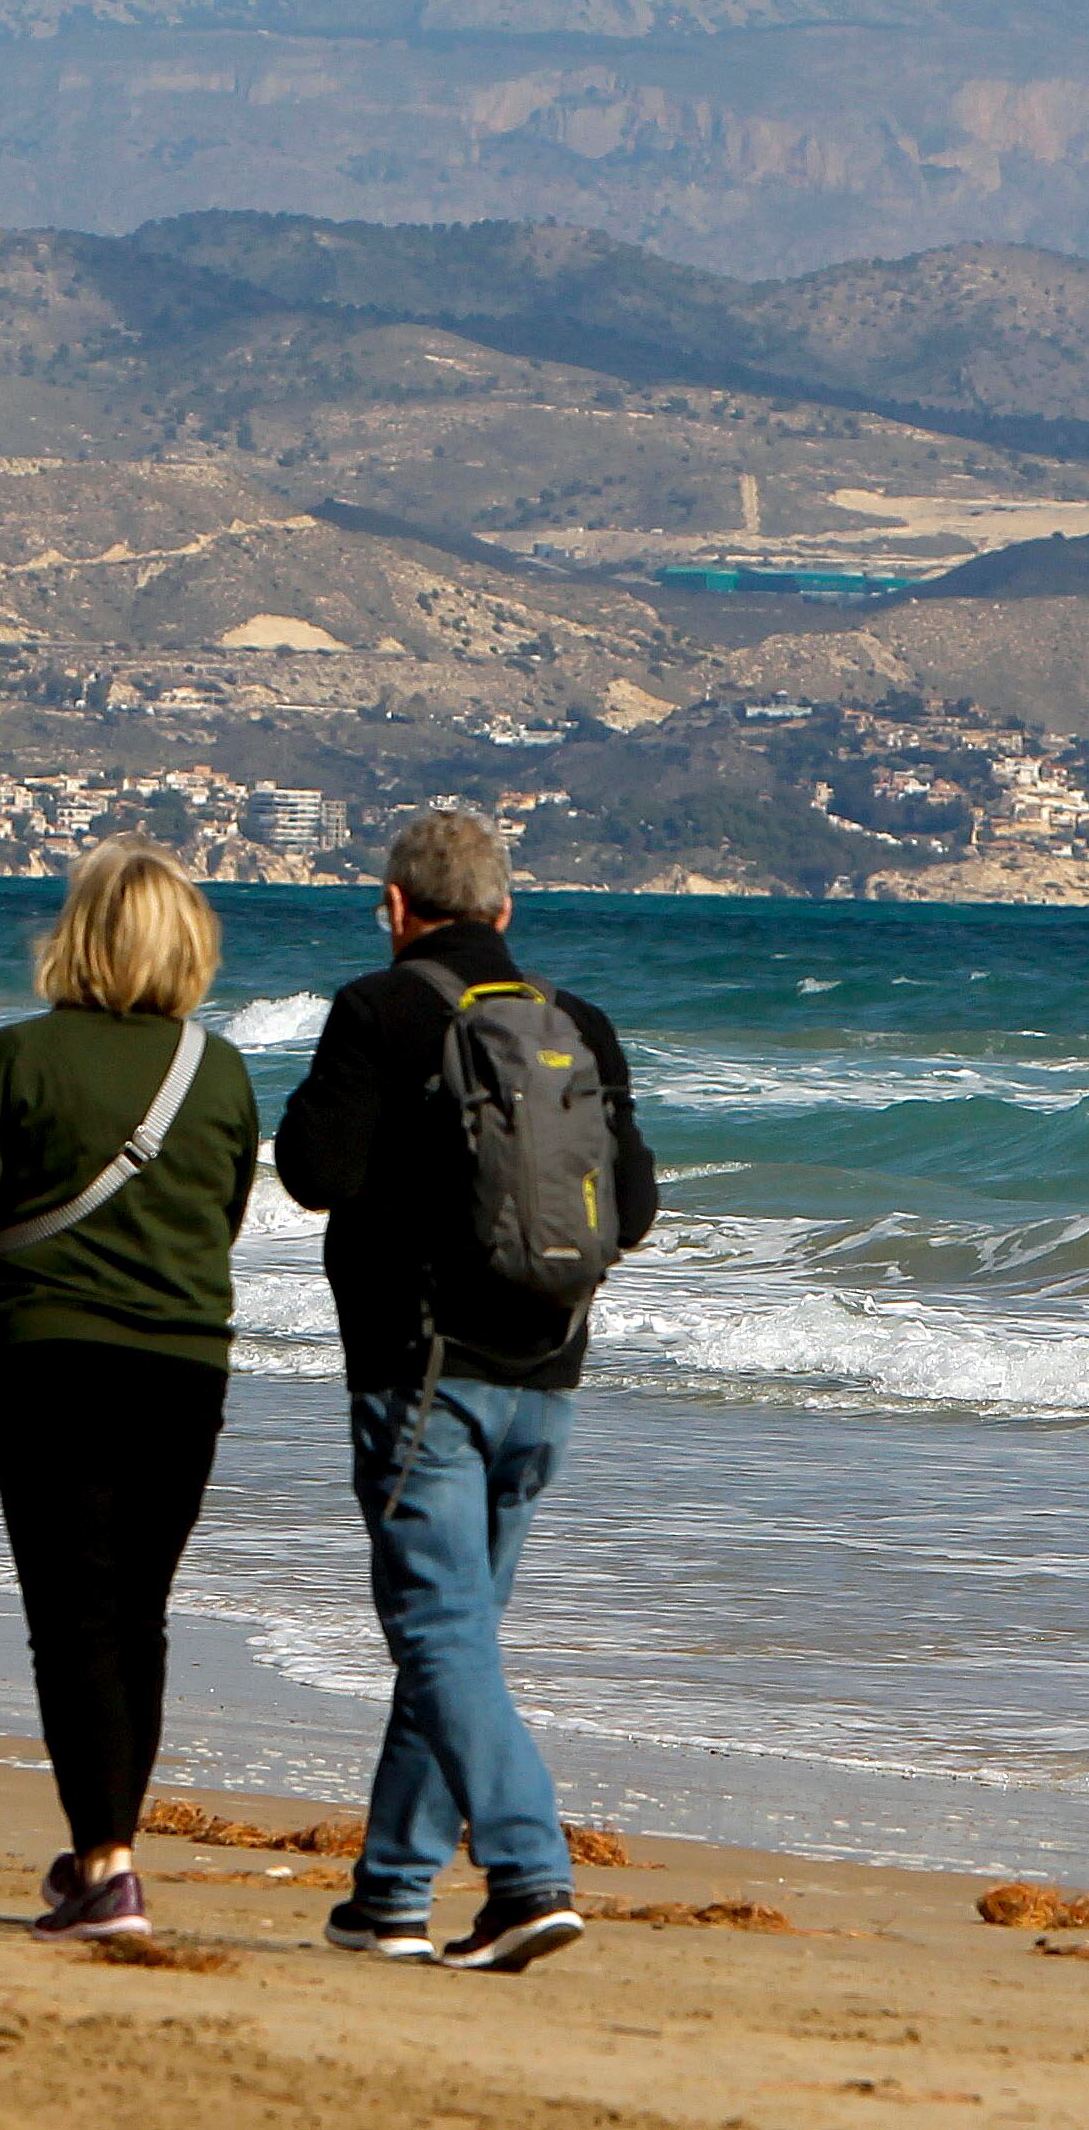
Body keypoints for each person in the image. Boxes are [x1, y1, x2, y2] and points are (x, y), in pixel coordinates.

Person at [275, 807, 656, 1974]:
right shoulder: (575, 1022)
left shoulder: (376, 1007)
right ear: (505, 908)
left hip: (420, 1372)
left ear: (395, 907)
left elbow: (311, 1172)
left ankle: (529, 1871)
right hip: (547, 1374)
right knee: (458, 1639)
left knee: (440, 1632)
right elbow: (630, 1209)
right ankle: (389, 1892)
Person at [0, 836, 259, 1942]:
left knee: (72, 1618)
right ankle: (107, 1848)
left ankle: (108, 1864)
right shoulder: (224, 1069)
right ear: (189, 946)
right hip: (187, 1366)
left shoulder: (19, 1056)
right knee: (136, 1616)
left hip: (53, 1361)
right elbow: (227, 1214)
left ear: (80, 938)